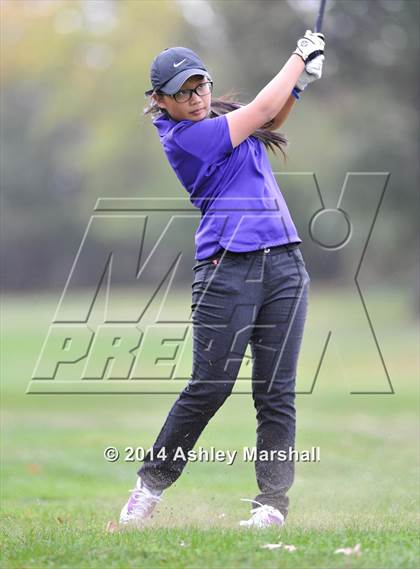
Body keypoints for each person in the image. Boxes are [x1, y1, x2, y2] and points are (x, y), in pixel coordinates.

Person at [119, 30, 325, 529]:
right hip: (225, 268)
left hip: (284, 263)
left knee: (277, 391)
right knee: (209, 386)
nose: (195, 99)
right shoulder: (185, 137)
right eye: (182, 92)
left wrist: (297, 87)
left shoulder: (216, 120)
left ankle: (273, 506)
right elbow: (258, 114)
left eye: (200, 87)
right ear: (159, 100)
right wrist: (298, 58)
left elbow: (268, 119)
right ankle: (148, 488)